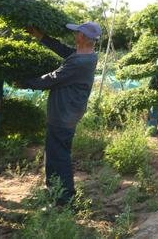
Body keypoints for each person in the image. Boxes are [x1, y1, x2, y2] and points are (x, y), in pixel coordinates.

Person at [20, 21, 100, 206]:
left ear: (81, 37)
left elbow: (53, 78)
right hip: (68, 112)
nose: (74, 35)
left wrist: (25, 82)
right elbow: (65, 51)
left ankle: (64, 199)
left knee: (59, 156)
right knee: (56, 153)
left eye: (77, 33)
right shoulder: (87, 56)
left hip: (64, 114)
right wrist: (42, 37)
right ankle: (55, 190)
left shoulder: (80, 62)